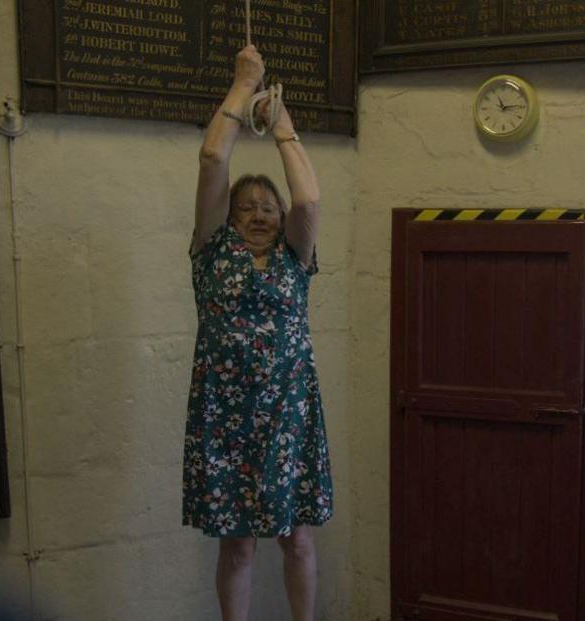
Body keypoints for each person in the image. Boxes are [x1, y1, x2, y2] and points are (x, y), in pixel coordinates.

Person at [184, 44, 332, 621]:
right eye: (246, 206)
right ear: (229, 217)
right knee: (239, 543)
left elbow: (311, 198)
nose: (260, 212)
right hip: (226, 418)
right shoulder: (211, 251)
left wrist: (284, 127)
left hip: (289, 416)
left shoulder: (297, 257)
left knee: (296, 538)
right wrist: (244, 86)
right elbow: (211, 160)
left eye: (268, 204)